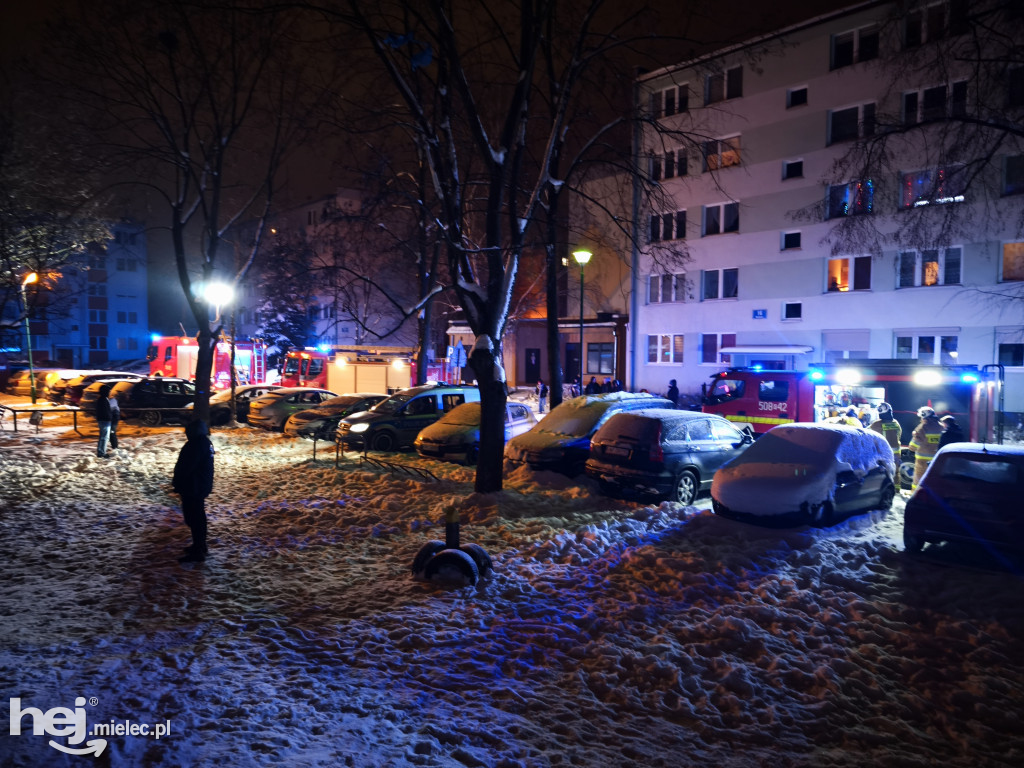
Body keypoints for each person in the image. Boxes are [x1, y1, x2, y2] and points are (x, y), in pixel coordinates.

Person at [173, 420, 215, 563]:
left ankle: (198, 550)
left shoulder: (195, 445)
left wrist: (177, 482)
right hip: (199, 485)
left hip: (193, 486)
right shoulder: (204, 442)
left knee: (194, 518)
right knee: (198, 517)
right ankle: (200, 546)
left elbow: (186, 467)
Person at [908, 406, 943, 492]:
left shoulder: (922, 428)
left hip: (922, 460)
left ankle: (915, 495)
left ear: (923, 416)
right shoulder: (941, 427)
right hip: (937, 459)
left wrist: (911, 447)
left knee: (918, 479)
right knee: (934, 479)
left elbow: (913, 446)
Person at [868, 402, 903, 490]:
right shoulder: (895, 422)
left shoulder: (876, 424)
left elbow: (867, 434)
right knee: (896, 471)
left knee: (884, 472)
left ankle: (885, 491)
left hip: (884, 453)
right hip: (896, 453)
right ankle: (897, 490)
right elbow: (899, 434)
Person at [95, 383, 116, 458]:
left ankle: (101, 451)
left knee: (103, 437)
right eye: (109, 391)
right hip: (105, 421)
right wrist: (110, 418)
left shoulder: (102, 399)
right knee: (104, 437)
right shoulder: (103, 399)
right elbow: (105, 411)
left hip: (104, 420)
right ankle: (101, 453)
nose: (110, 393)